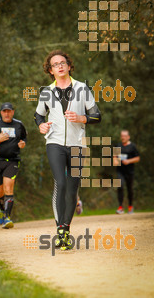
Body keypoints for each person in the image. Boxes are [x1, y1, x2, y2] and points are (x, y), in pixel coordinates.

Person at [34, 50, 101, 250]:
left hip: (77, 143)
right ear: (50, 70)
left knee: (72, 189)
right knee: (60, 183)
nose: (60, 66)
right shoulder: (46, 91)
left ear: (69, 66)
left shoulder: (82, 88)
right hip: (54, 142)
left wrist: (82, 118)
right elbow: (38, 115)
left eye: (63, 63)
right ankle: (60, 228)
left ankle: (66, 228)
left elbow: (97, 115)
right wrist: (41, 126)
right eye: (55, 64)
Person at [0, 102, 27, 228]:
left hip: (13, 161)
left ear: (13, 112)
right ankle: (2, 211)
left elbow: (24, 137)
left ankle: (7, 218)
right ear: (1, 112)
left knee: (9, 188)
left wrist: (23, 143)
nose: (7, 114)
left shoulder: (19, 124)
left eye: (9, 111)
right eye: (4, 111)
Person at [114, 130, 140, 214]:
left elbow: (137, 158)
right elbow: (114, 156)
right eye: (122, 136)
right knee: (120, 186)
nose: (123, 137)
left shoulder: (132, 146)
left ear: (128, 137)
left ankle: (130, 207)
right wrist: (115, 160)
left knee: (130, 189)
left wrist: (128, 161)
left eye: (124, 136)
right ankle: (120, 207)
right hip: (120, 171)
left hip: (129, 171)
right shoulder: (118, 146)